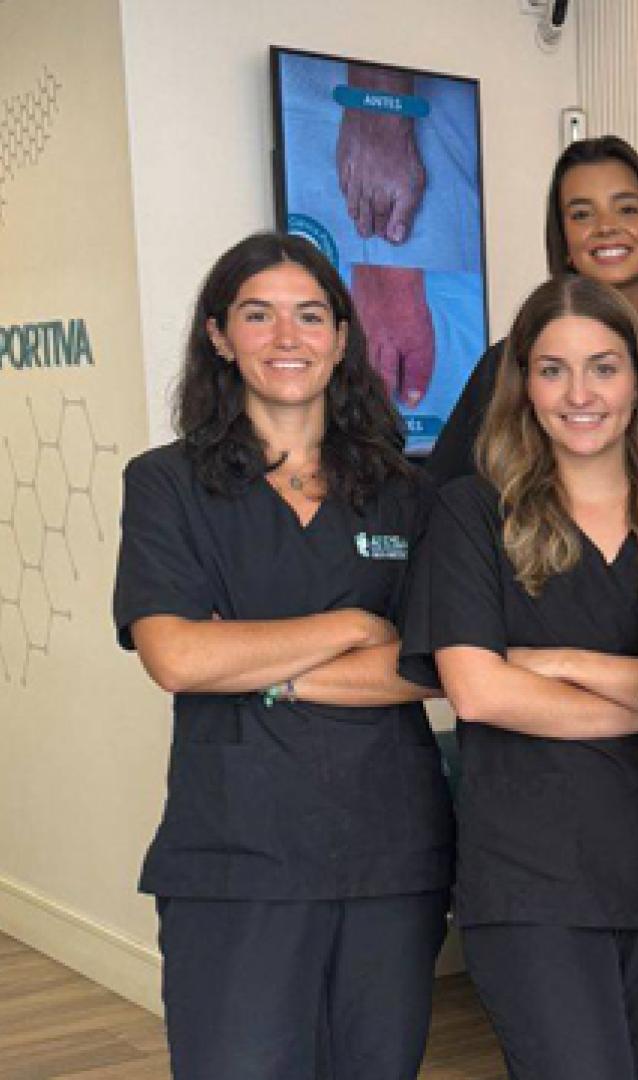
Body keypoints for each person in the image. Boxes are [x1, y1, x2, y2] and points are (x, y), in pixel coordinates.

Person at [112, 232, 452, 1079]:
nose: (286, 338)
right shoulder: (166, 484)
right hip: (234, 855)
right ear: (220, 336)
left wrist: (261, 664)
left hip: (388, 855)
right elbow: (179, 657)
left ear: (342, 337)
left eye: (309, 316)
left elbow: (426, 665)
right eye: (257, 316)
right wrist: (349, 627)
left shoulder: (407, 494)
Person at [398, 275, 638, 1079]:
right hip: (530, 886)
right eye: (553, 369)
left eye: (603, 367)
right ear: (523, 385)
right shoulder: (475, 514)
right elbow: (478, 690)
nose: (580, 393)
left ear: (637, 383)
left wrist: (563, 665)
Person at [426, 135, 638, 480]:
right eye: (582, 214)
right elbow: (443, 494)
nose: (606, 227)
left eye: (627, 209)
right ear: (564, 242)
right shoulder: (508, 363)